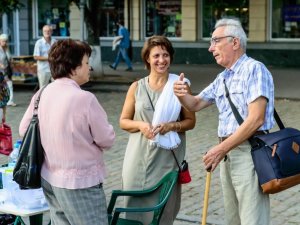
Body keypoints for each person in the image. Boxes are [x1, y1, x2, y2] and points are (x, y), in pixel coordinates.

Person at [174, 18, 275, 225]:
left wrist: (221, 149)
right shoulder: (223, 77)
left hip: (250, 152)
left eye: (215, 41)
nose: (211, 48)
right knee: (233, 219)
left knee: (252, 219)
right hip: (228, 155)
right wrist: (181, 94)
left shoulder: (254, 69)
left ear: (235, 43)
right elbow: (194, 104)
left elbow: (256, 119)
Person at [19, 39, 115, 225]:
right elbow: (107, 139)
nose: (89, 68)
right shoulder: (84, 99)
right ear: (74, 67)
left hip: (49, 178)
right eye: (87, 63)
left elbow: (24, 130)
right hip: (80, 182)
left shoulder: (42, 93)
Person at [119, 35, 195, 225]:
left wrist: (171, 126)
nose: (161, 60)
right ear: (147, 58)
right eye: (156, 56)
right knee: (133, 204)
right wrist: (140, 125)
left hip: (166, 159)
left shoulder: (179, 85)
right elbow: (123, 121)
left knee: (163, 209)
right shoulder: (136, 87)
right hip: (137, 158)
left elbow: (190, 121)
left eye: (165, 55)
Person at [33, 25, 56, 89]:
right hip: (43, 69)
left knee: (55, 88)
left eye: (49, 31)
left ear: (51, 32)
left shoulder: (55, 41)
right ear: (42, 32)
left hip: (54, 69)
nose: (47, 32)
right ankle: (42, 99)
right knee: (43, 89)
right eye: (45, 31)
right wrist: (49, 58)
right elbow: (35, 57)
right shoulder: (39, 43)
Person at [0, 34, 16, 106]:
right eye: (3, 41)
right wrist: (1, 65)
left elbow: (9, 58)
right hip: (1, 70)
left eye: (6, 41)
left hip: (7, 70)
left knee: (9, 84)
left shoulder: (7, 49)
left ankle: (10, 100)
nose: (5, 43)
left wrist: (12, 60)